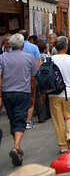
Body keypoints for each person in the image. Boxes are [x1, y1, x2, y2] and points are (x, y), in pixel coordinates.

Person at [0, 33, 39, 166]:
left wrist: (0, 95)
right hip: (23, 92)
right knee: (20, 118)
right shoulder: (29, 58)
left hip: (7, 92)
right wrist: (33, 94)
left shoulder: (2, 58)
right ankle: (16, 147)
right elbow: (33, 78)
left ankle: (18, 147)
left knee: (13, 118)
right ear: (23, 45)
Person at [50, 36, 70, 153]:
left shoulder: (49, 60)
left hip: (53, 94)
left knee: (57, 120)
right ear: (66, 47)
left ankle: (63, 146)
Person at [13, 30, 41, 130]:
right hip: (30, 77)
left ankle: (19, 119)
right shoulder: (34, 47)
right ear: (28, 36)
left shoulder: (13, 49)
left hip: (17, 77)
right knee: (31, 98)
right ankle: (28, 121)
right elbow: (38, 64)